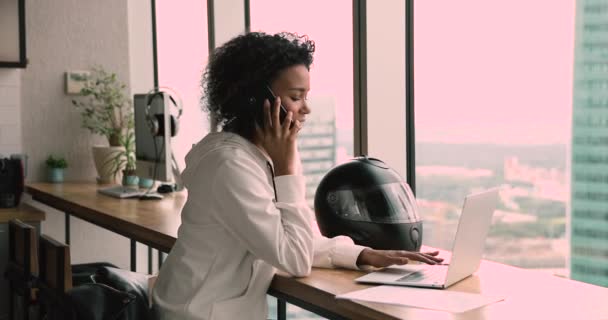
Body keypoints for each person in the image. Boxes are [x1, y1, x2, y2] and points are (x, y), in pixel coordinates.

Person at [151, 31, 443, 320]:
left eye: (306, 96)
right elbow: (294, 257)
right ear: (256, 99)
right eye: (295, 96)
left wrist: (361, 255)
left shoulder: (251, 157)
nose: (306, 108)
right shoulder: (230, 165)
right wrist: (287, 166)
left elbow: (279, 236)